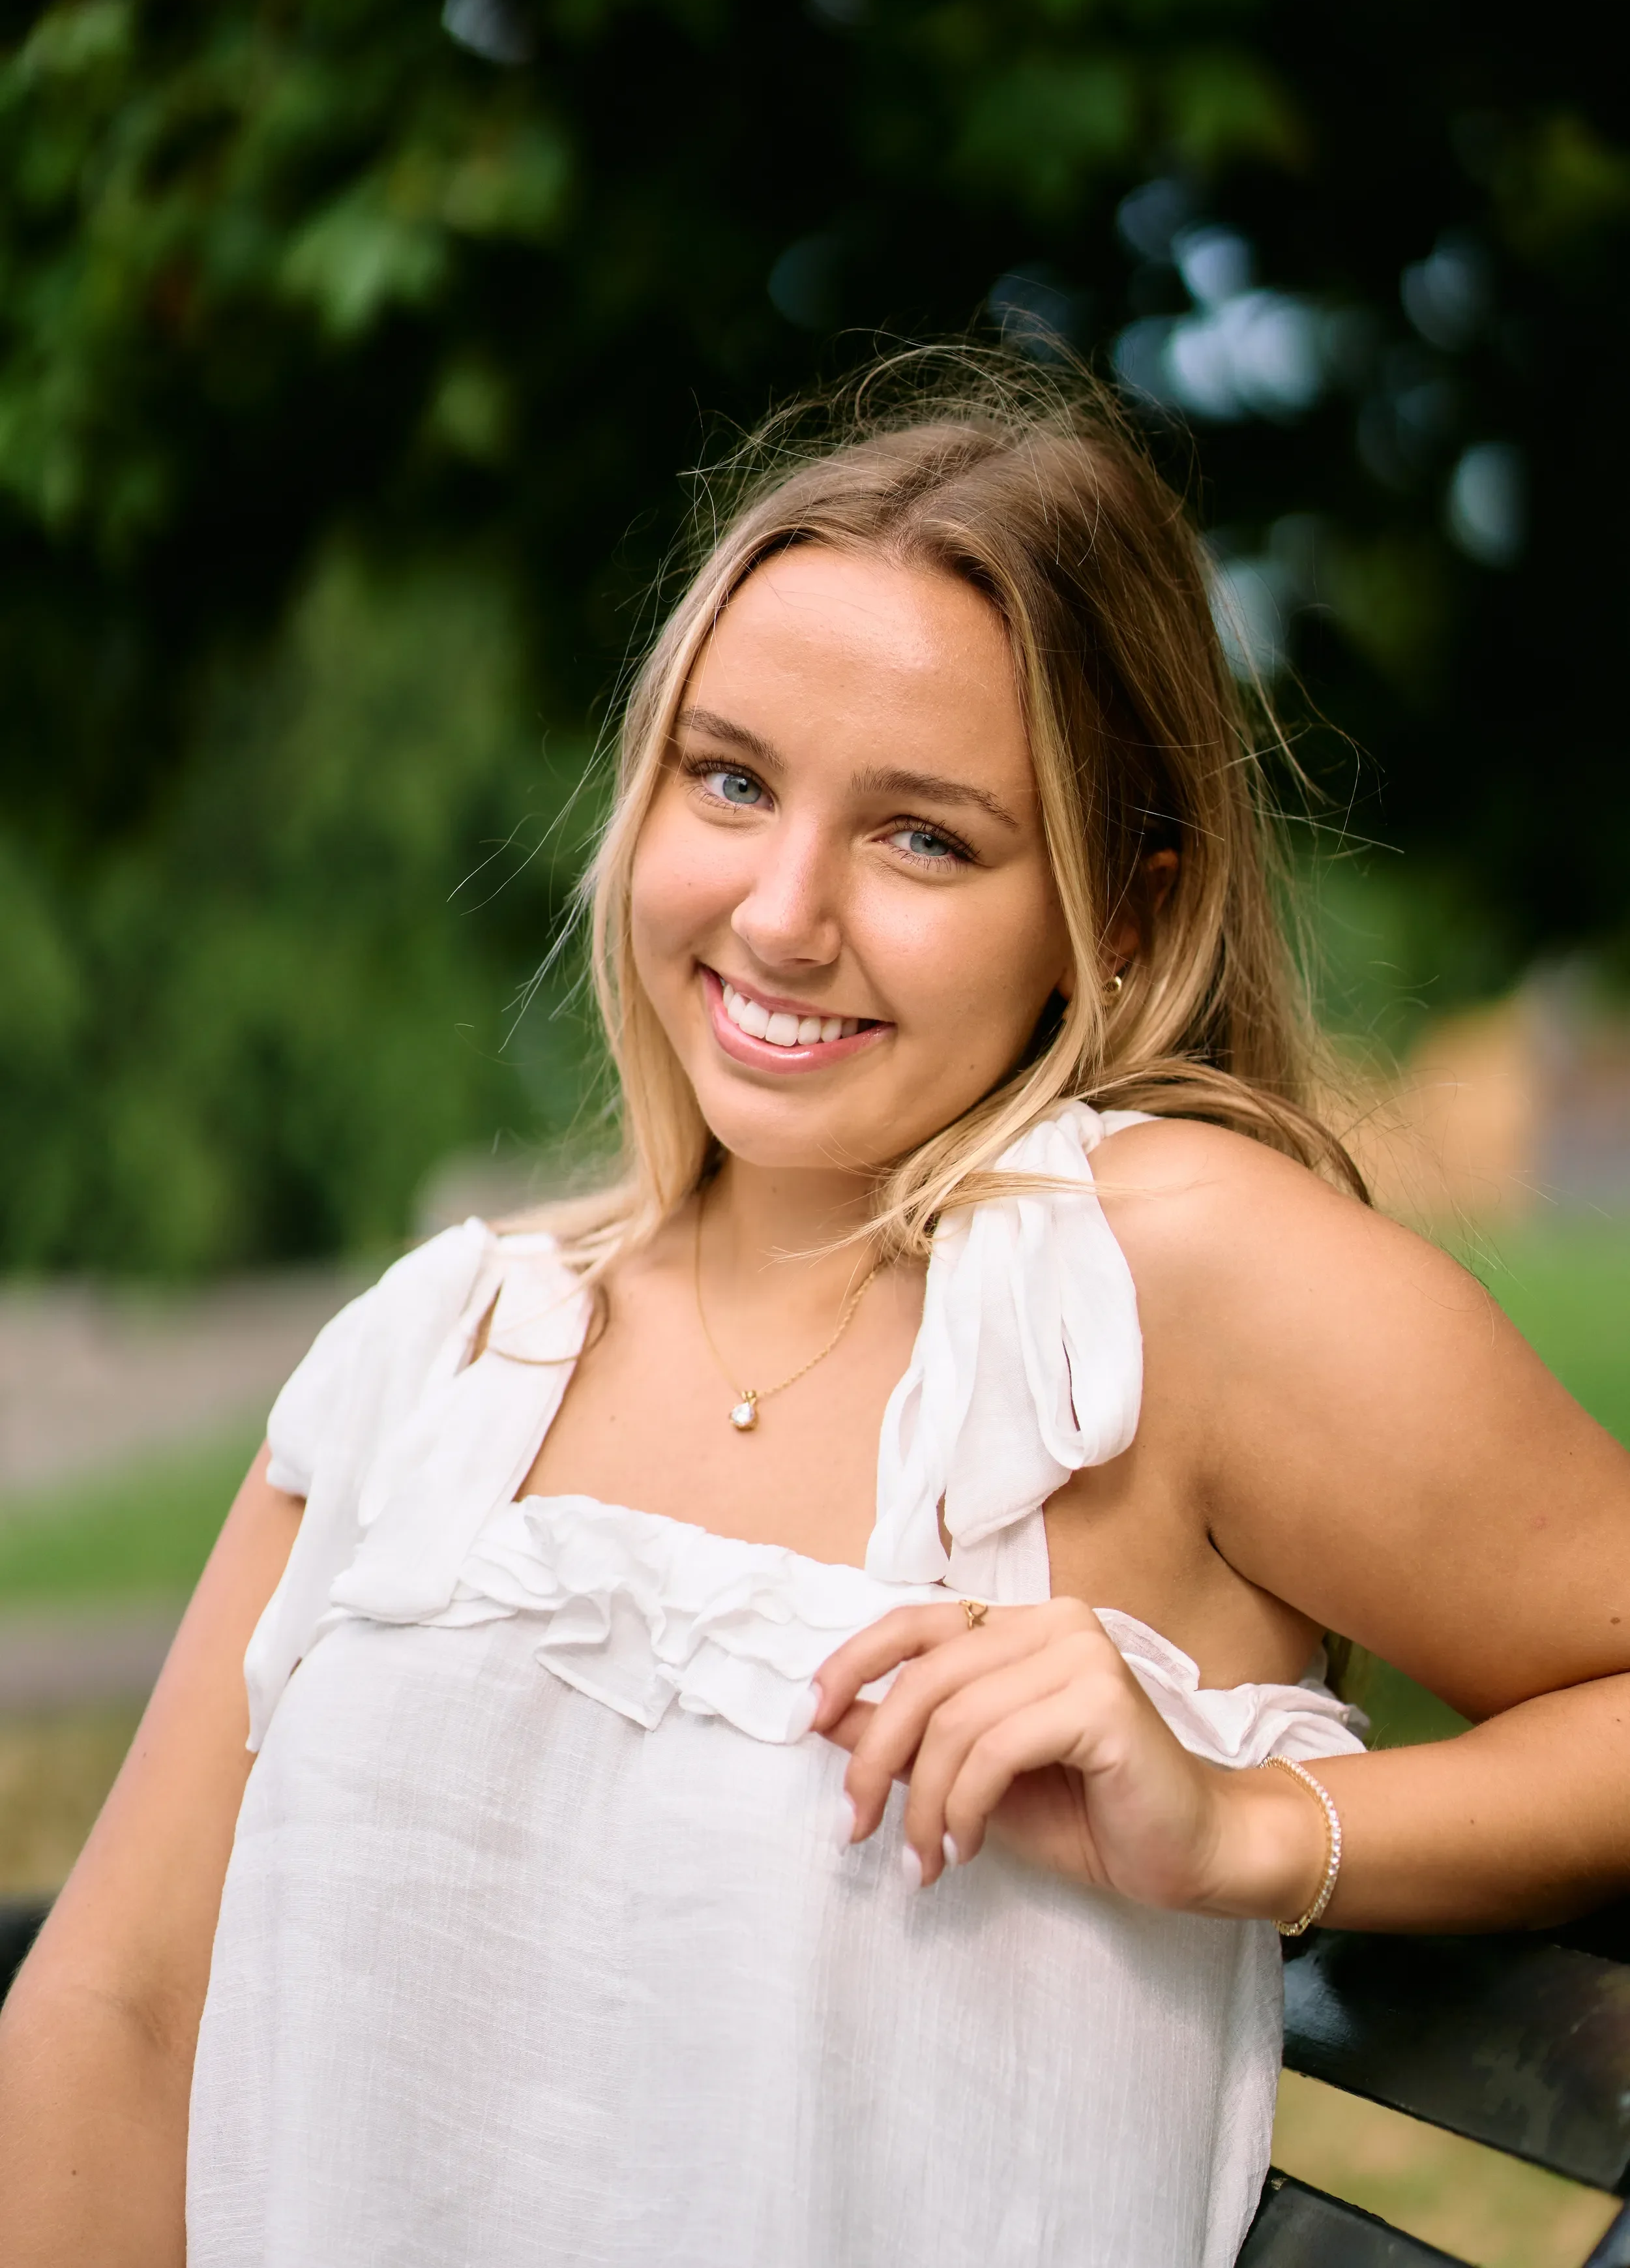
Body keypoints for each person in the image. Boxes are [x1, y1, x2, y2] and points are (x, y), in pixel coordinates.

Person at [3, 353, 1627, 2268]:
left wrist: (1260, 1827)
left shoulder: (1148, 1282)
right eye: (731, 778)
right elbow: (118, 2016)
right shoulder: (434, 1353)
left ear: (1116, 910)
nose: (783, 909)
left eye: (922, 834)